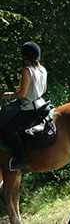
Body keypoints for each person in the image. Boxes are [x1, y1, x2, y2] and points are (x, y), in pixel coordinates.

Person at [0, 41, 47, 171]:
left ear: (26, 57)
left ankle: (22, 159)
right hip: (41, 104)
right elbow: (43, 90)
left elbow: (22, 94)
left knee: (9, 130)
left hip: (29, 107)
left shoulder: (27, 71)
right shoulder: (42, 70)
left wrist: (9, 95)